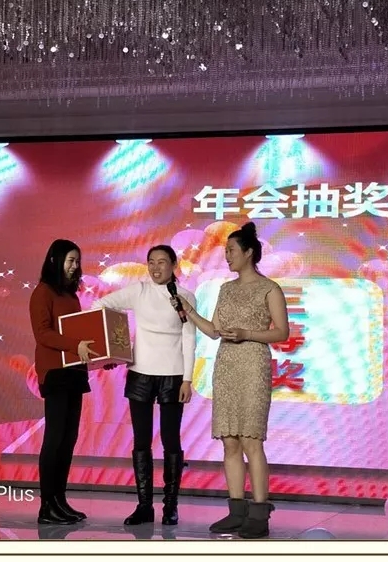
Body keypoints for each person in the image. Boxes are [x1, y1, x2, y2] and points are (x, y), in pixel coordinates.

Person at [173, 222, 288, 539]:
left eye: (231, 250)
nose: (226, 256)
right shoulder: (225, 289)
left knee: (251, 440)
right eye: (225, 251)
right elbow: (213, 331)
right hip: (225, 366)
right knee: (230, 441)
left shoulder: (270, 289)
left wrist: (247, 333)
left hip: (253, 364)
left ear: (249, 253)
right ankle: (236, 511)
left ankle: (260, 513)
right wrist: (188, 311)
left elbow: (282, 332)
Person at [91, 244, 197, 527]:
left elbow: (189, 338)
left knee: (171, 440)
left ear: (174, 265)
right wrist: (114, 347)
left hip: (173, 375)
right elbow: (99, 305)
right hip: (140, 374)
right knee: (141, 441)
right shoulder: (138, 291)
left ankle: (170, 506)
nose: (155, 267)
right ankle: (144, 506)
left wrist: (187, 379)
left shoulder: (185, 297)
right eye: (151, 262)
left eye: (162, 262)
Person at [29, 238, 113, 525]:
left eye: (77, 261)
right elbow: (43, 333)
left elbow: (77, 334)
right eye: (70, 260)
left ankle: (59, 500)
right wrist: (76, 345)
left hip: (74, 372)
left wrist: (102, 355)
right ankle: (46, 506)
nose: (75, 266)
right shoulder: (43, 292)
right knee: (54, 438)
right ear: (55, 261)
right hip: (55, 372)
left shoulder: (70, 295)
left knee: (68, 439)